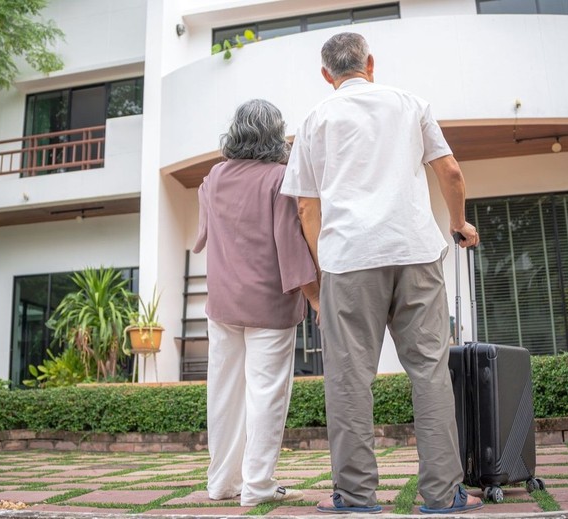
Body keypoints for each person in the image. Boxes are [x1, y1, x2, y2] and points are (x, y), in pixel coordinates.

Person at [280, 33, 483, 514]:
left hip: (349, 259)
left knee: (349, 380)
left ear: (326, 74)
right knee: (430, 371)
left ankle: (355, 497)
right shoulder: (411, 103)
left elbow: (307, 207)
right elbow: (450, 172)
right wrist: (458, 224)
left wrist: (326, 268)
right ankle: (443, 495)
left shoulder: (314, 119)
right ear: (371, 63)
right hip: (415, 251)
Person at [193, 99, 320, 507]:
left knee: (223, 393)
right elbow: (290, 244)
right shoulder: (280, 178)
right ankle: (258, 485)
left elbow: (202, 235)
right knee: (266, 394)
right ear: (274, 135)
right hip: (270, 305)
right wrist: (316, 297)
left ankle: (221, 483)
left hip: (223, 304)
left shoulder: (213, 176)